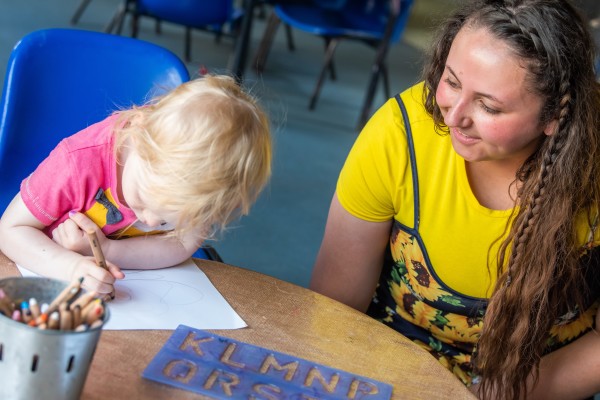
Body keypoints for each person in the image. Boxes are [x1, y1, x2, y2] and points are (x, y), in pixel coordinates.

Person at [310, 0, 600, 399]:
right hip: (390, 368)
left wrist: (503, 394)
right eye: (451, 81)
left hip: (537, 385)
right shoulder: (400, 132)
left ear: (554, 118)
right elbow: (335, 309)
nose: (453, 117)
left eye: (488, 106)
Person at [0, 74, 271, 297]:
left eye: (167, 221)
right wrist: (69, 267)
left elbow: (180, 246)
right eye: (142, 200)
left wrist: (110, 251)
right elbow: (10, 230)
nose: (151, 222)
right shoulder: (77, 162)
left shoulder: (201, 185)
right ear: (138, 138)